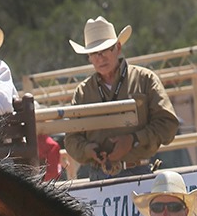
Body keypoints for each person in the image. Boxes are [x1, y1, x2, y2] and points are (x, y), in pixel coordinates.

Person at [64, 17, 179, 180]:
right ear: (89, 57)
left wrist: (134, 140)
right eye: (94, 53)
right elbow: (71, 139)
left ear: (117, 48)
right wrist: (88, 150)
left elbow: (168, 125)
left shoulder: (145, 79)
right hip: (99, 175)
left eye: (105, 50)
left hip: (139, 172)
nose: (100, 57)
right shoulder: (83, 92)